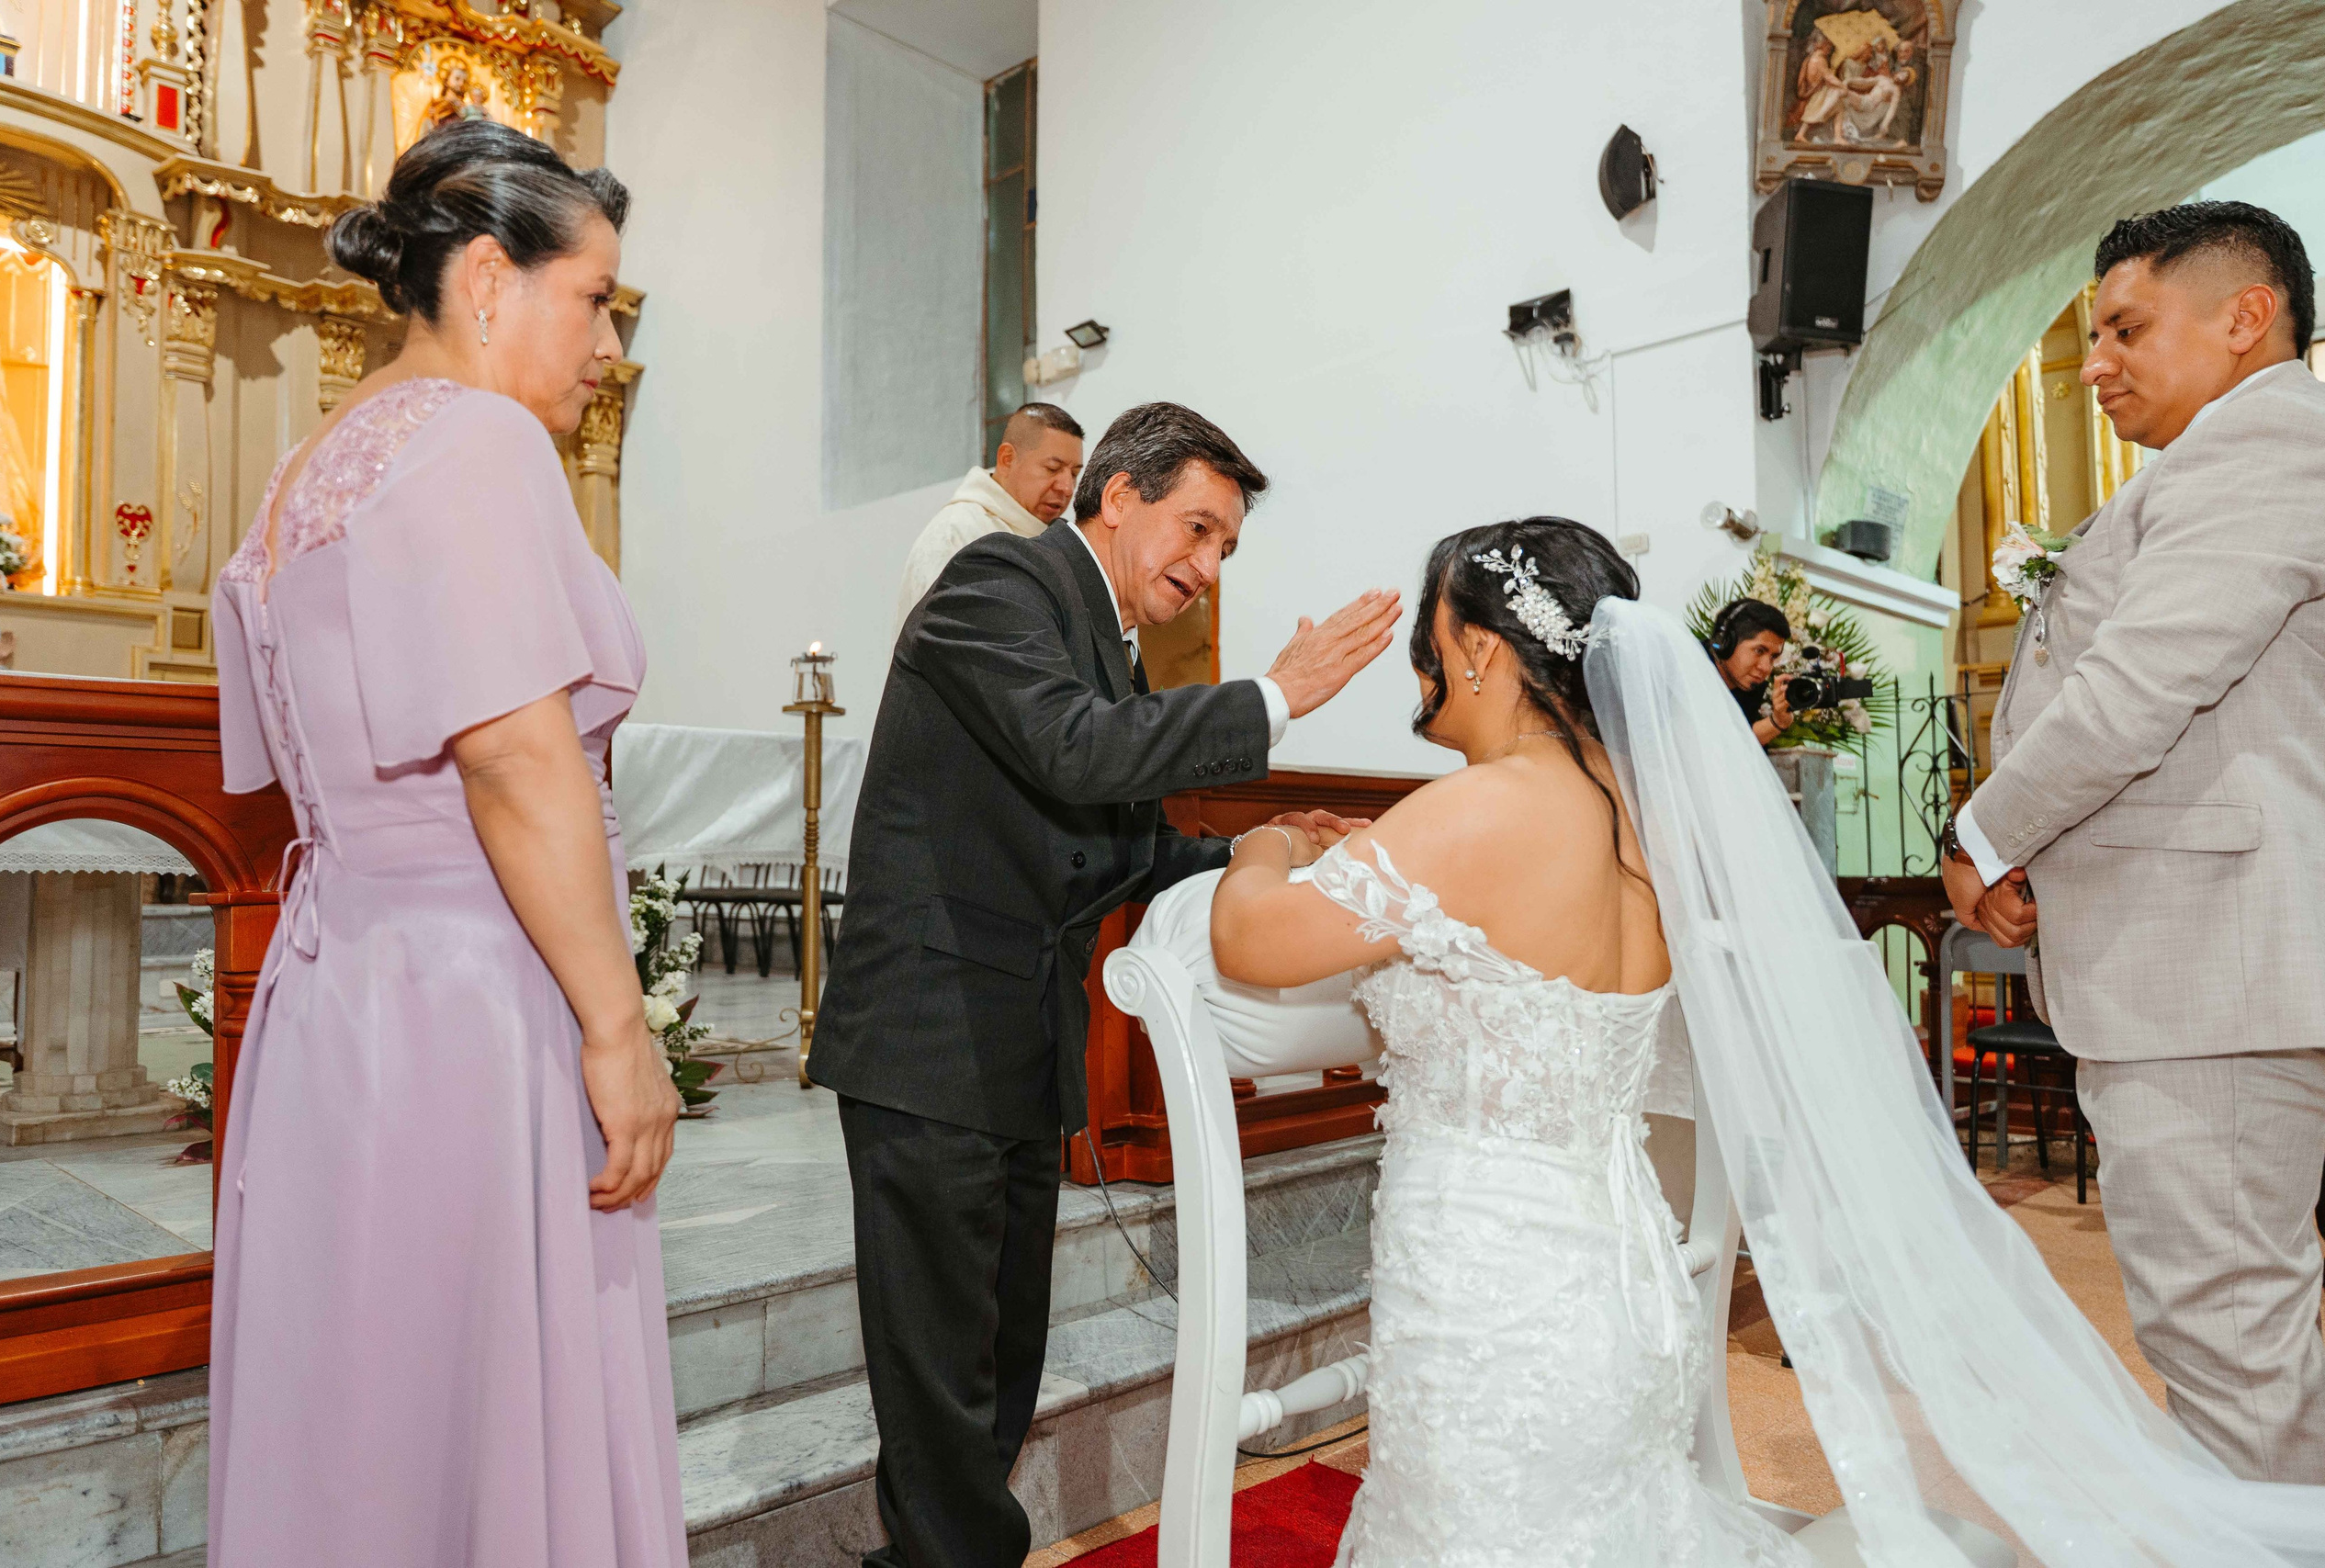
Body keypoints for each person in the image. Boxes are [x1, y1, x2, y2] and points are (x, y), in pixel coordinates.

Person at [1207, 517, 2325, 1564]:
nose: (1421, 665)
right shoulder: (1646, 819)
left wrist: (1262, 843)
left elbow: (1254, 944)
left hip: (1491, 1299)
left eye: (1430, 638)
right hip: (1625, 1286)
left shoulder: (1480, 809)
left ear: (1483, 652)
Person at [807, 400, 1401, 1568]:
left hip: (1018, 1034)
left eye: (1226, 547)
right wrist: (1279, 696)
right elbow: (1075, 751)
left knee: (1001, 1356)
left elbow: (1107, 850)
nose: (1206, 563)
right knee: (939, 1372)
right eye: (1195, 528)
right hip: (929, 1031)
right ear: (1115, 497)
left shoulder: (1108, 640)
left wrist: (1254, 843)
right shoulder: (1000, 583)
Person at [209, 121, 685, 1567]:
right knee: (490, 1383)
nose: (607, 340)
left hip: (344, 984)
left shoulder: (311, 468)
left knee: (372, 1389)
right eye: (595, 297)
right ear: (490, 275)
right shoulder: (477, 439)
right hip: (481, 989)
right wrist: (618, 1022)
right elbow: (511, 753)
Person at [1942, 199, 2325, 1482]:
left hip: (2206, 975)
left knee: (2230, 1349)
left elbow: (2143, 686)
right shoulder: (2222, 459)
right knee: (2236, 1338)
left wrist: (1984, 829)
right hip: (2201, 964)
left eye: (2124, 326)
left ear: (2243, 315)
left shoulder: (2263, 442)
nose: (2094, 361)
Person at [890, 402, 1087, 633]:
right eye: (1053, 468)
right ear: (1007, 459)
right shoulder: (957, 534)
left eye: (1074, 474)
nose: (1067, 487)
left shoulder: (1061, 544)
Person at [1704, 596, 1793, 745]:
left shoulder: (1751, 688)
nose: (1766, 668)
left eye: (1773, 657)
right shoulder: (1687, 666)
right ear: (1726, 643)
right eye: (1759, 651)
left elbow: (1736, 745)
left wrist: (1779, 720)